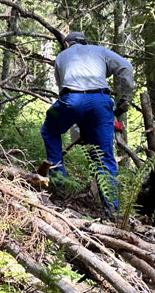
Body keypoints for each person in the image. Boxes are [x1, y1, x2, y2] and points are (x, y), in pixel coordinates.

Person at [41, 31, 133, 212]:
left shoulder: (61, 57)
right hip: (100, 101)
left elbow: (63, 90)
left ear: (67, 44)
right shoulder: (100, 51)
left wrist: (77, 124)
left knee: (50, 131)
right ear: (84, 42)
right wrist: (125, 98)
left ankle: (59, 186)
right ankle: (112, 210)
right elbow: (126, 67)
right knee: (104, 156)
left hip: (71, 100)